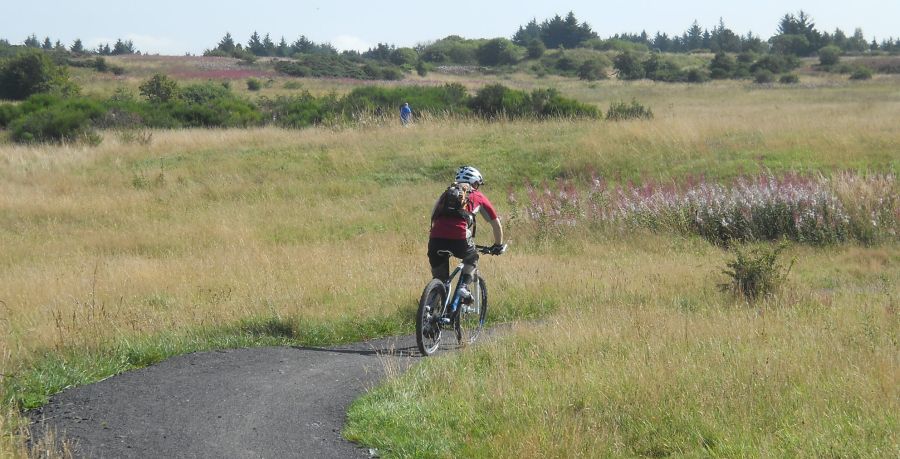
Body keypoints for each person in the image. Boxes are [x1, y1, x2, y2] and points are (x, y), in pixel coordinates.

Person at [428, 166, 505, 312]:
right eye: (477, 184)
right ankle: (463, 287)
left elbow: (433, 215)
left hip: (436, 239)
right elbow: (496, 224)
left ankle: (428, 313)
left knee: (440, 281)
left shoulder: (445, 193)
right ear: (474, 182)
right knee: (472, 256)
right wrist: (498, 245)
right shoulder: (477, 196)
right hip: (459, 238)